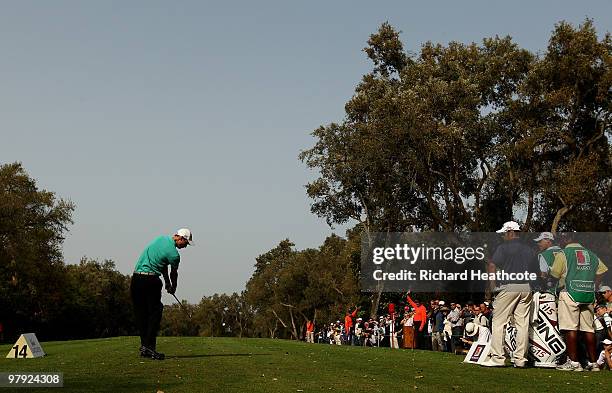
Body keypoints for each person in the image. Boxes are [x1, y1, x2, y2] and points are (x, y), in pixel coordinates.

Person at [131, 228, 193, 360]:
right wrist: (173, 286)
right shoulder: (175, 255)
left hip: (136, 279)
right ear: (180, 238)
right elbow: (173, 272)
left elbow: (163, 264)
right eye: (186, 243)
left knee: (141, 314)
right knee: (156, 313)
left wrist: (167, 283)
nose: (185, 246)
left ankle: (144, 347)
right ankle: (150, 348)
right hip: (151, 281)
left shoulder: (160, 239)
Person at [551, 233, 608, 371]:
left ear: (567, 239)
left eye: (562, 239)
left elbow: (554, 275)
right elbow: (602, 270)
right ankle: (594, 364)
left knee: (570, 328)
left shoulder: (563, 254)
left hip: (570, 292)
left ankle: (574, 363)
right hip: (588, 293)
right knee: (589, 329)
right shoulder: (591, 254)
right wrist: (595, 285)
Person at [481, 221, 534, 368]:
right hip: (526, 287)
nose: (503, 236)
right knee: (522, 324)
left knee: (498, 322)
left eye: (504, 233)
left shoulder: (504, 247)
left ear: (510, 232)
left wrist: (492, 287)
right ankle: (520, 359)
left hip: (509, 286)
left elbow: (492, 265)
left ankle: (498, 358)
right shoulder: (529, 249)